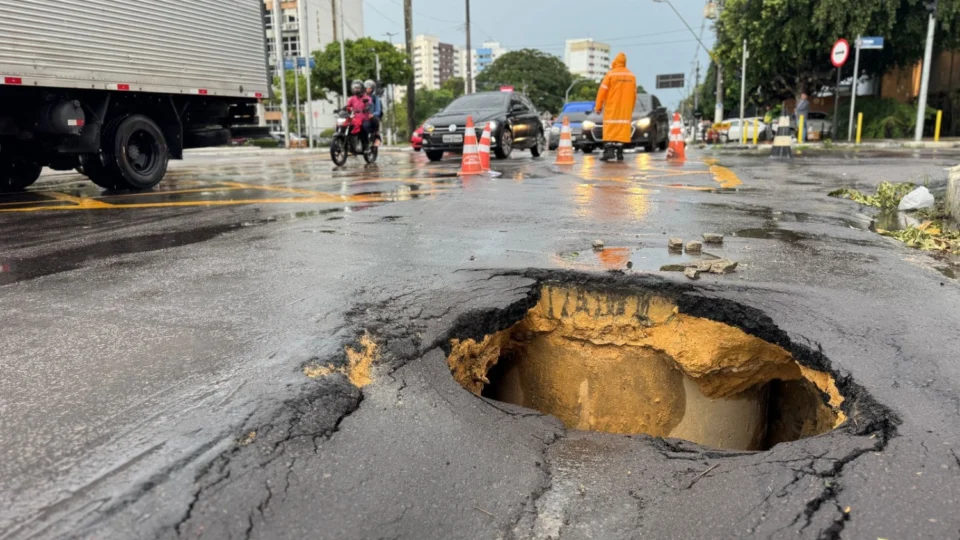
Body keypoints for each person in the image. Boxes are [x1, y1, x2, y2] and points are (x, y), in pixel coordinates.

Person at [594, 53, 637, 161]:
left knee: (611, 128)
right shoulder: (631, 76)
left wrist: (598, 107)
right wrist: (630, 108)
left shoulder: (610, 75)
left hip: (612, 107)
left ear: (615, 61)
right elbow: (634, 95)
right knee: (621, 130)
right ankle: (619, 152)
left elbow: (602, 92)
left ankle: (609, 151)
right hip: (625, 109)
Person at [345, 80, 371, 150]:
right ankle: (348, 143)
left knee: (363, 128)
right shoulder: (352, 98)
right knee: (345, 125)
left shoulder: (366, 97)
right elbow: (347, 106)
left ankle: (366, 145)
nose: (356, 89)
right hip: (355, 119)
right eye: (355, 88)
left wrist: (367, 107)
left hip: (364, 118)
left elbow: (370, 104)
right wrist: (343, 109)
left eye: (358, 88)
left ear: (362, 88)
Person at [363, 80, 383, 147]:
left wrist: (372, 114)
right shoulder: (361, 97)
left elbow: (378, 110)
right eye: (366, 87)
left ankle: (377, 137)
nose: (368, 89)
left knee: (372, 122)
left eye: (370, 88)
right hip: (363, 117)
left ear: (372, 89)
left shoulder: (375, 98)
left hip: (372, 117)